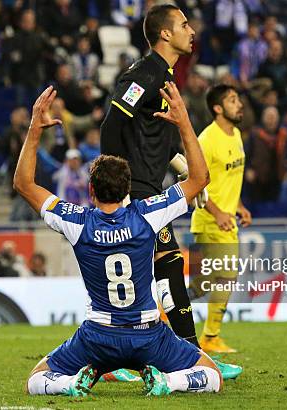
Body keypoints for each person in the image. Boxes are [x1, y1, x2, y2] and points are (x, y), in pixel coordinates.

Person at [15, 84, 225, 397]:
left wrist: (34, 129)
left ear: (91, 192)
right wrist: (183, 122)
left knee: (36, 380)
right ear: (128, 190)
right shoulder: (147, 214)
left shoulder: (77, 221)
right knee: (212, 375)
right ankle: (168, 382)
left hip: (98, 336)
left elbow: (23, 184)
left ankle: (73, 384)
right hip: (148, 336)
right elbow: (199, 178)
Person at [99, 2, 200, 350]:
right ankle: (192, 353)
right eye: (184, 24)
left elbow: (165, 145)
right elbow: (113, 122)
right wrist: (116, 185)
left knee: (159, 268)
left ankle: (123, 354)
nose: (192, 31)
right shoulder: (146, 73)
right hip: (136, 189)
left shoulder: (165, 77)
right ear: (165, 33)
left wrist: (190, 176)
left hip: (150, 187)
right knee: (168, 264)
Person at [188, 84, 252, 353]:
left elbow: (226, 179)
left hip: (226, 218)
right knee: (225, 276)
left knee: (203, 285)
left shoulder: (235, 134)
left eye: (238, 99)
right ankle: (210, 336)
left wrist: (238, 205)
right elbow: (195, 182)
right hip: (209, 219)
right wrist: (217, 212)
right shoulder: (207, 140)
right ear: (218, 108)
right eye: (232, 100)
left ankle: (162, 311)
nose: (239, 104)